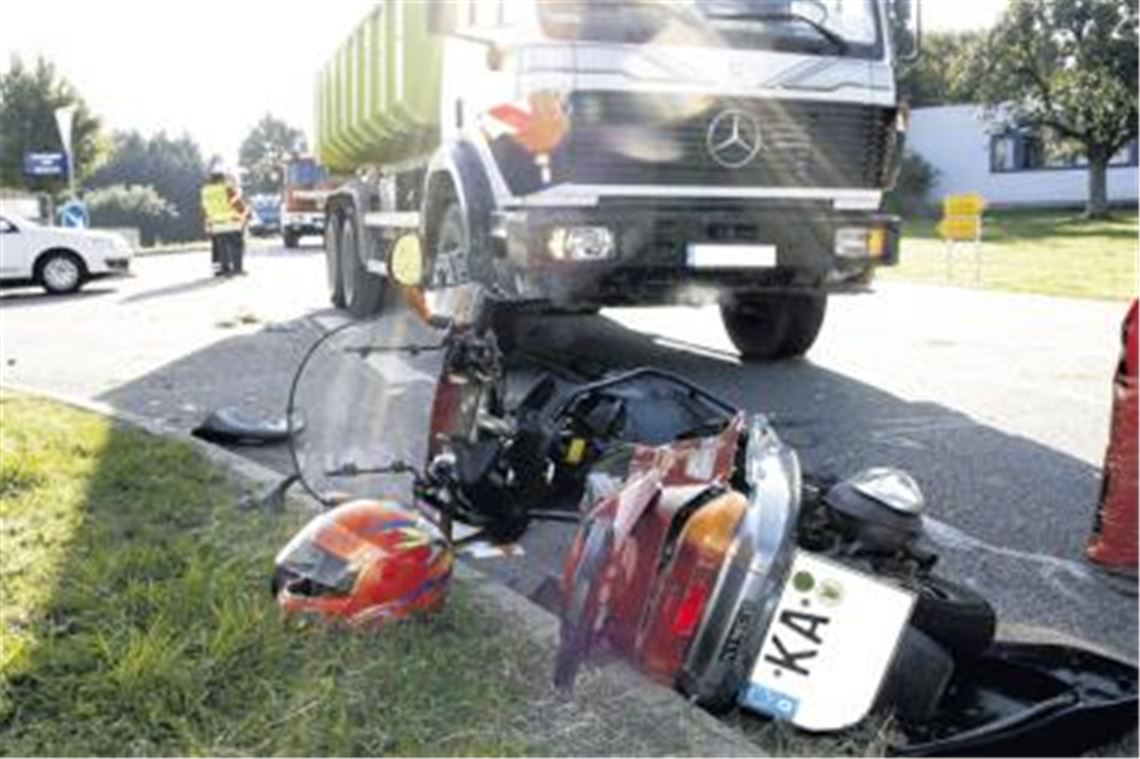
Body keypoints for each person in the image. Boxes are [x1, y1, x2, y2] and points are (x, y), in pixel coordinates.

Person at [200, 165, 250, 276]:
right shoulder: (226, 188)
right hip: (232, 221)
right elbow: (237, 204)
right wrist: (246, 214)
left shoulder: (205, 191)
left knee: (222, 247)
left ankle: (225, 269)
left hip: (217, 224)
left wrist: (207, 223)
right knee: (237, 245)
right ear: (222, 178)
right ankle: (237, 269)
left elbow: (204, 208)